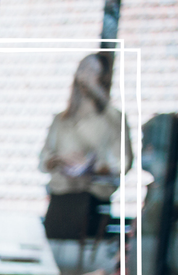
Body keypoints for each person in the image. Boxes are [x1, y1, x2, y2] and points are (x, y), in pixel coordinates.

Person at [39, 53, 129, 240]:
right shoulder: (61, 120)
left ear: (102, 77)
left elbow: (123, 163)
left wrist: (94, 166)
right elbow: (43, 160)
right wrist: (59, 160)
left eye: (91, 71)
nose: (84, 76)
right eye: (82, 69)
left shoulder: (113, 119)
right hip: (60, 201)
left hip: (91, 203)